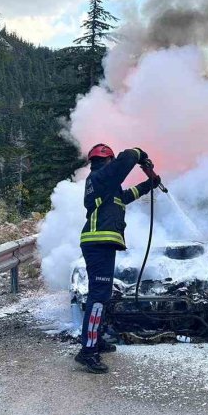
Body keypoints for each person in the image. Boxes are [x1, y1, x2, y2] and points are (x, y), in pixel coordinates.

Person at [76, 144, 161, 373]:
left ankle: (95, 340)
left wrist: (148, 185)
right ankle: (88, 352)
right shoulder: (100, 176)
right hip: (98, 243)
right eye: (112, 162)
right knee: (98, 297)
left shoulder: (106, 187)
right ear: (107, 161)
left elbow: (125, 196)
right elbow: (127, 159)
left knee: (102, 296)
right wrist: (140, 153)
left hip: (102, 244)